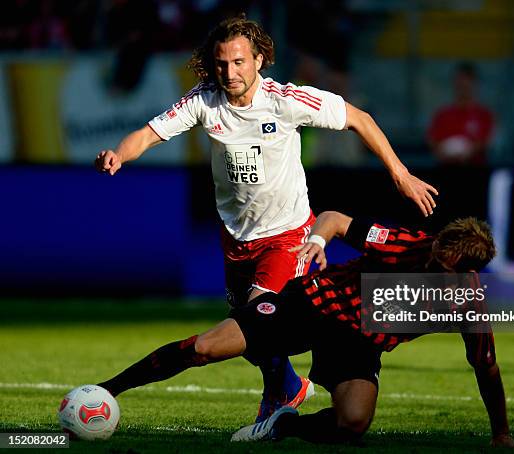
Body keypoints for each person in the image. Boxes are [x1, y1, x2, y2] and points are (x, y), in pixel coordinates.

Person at [94, 15, 438, 421]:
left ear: (259, 59)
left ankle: (282, 396)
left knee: (254, 323)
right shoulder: (205, 100)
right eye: (222, 63)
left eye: (239, 62)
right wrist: (119, 152)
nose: (229, 72)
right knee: (252, 340)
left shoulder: (287, 100)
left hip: (287, 235)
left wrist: (400, 174)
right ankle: (286, 388)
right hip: (236, 238)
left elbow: (359, 118)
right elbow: (149, 135)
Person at [96, 211, 514, 448]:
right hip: (314, 302)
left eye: (440, 270)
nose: (429, 267)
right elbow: (333, 219)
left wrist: (501, 434)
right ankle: (107, 391)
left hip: (358, 340)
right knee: (205, 347)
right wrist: (317, 241)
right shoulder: (408, 243)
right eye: (433, 258)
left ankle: (284, 424)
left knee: (352, 424)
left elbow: (487, 368)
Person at [427, 62, 495, 166]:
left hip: (476, 170)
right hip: (446, 170)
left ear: (474, 84)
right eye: (460, 84)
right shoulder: (443, 114)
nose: (463, 88)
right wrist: (443, 153)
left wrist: (469, 152)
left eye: (466, 83)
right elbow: (432, 140)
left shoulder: (483, 115)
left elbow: (486, 141)